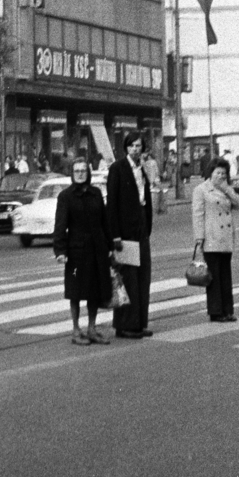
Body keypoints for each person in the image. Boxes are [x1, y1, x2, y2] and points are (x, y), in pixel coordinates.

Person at [53, 155, 115, 344]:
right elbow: (60, 225)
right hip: (76, 253)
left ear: (88, 173)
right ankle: (75, 330)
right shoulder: (66, 196)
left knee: (95, 291)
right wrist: (60, 251)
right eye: (76, 171)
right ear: (72, 174)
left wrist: (110, 246)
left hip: (97, 250)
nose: (80, 174)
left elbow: (105, 221)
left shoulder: (96, 193)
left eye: (83, 171)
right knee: (76, 292)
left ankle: (92, 328)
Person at [106, 131, 153, 339]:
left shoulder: (141, 169)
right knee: (127, 279)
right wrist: (115, 235)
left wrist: (147, 226)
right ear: (126, 148)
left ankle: (139, 322)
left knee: (143, 277)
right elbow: (112, 204)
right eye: (132, 146)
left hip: (141, 230)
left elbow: (145, 199)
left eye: (138, 146)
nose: (135, 149)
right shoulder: (118, 169)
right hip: (124, 233)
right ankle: (124, 325)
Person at [192, 156, 239, 322]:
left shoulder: (226, 188)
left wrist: (227, 189)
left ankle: (227, 310)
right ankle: (215, 312)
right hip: (211, 237)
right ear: (210, 173)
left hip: (226, 238)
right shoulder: (201, 190)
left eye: (224, 173)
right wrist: (199, 238)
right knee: (214, 277)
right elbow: (198, 215)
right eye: (218, 172)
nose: (221, 176)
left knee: (226, 275)